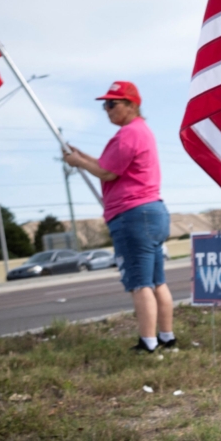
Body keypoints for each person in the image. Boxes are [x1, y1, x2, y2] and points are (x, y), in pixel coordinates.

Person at [63, 81, 175, 353]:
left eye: (112, 104)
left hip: (133, 215)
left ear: (132, 105)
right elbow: (106, 164)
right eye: (105, 105)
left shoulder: (128, 134)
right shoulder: (140, 132)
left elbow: (107, 173)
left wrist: (78, 162)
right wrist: (83, 156)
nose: (107, 110)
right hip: (152, 211)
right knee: (157, 280)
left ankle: (148, 344)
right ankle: (167, 337)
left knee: (140, 283)